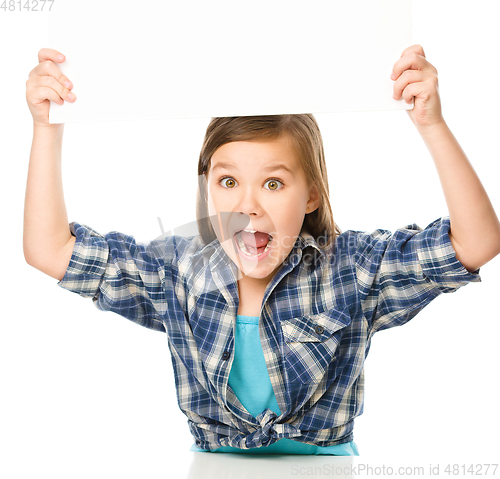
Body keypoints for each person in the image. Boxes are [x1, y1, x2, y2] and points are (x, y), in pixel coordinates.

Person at [23, 45, 500, 456]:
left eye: (273, 182)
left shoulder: (350, 269)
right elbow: (49, 249)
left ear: (310, 194)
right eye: (228, 181)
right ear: (208, 187)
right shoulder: (177, 271)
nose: (247, 206)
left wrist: (432, 123)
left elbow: (476, 243)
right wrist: (47, 128)